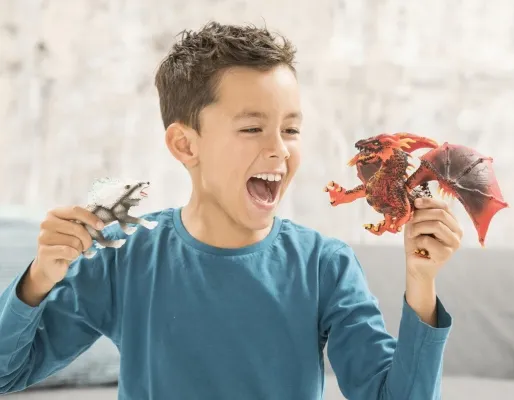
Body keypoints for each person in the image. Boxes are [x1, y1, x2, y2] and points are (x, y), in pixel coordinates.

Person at [0, 21, 463, 399]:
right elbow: (8, 374)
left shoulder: (324, 266)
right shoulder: (123, 257)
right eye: (252, 128)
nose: (279, 149)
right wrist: (38, 280)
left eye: (291, 129)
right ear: (186, 145)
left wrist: (421, 284)